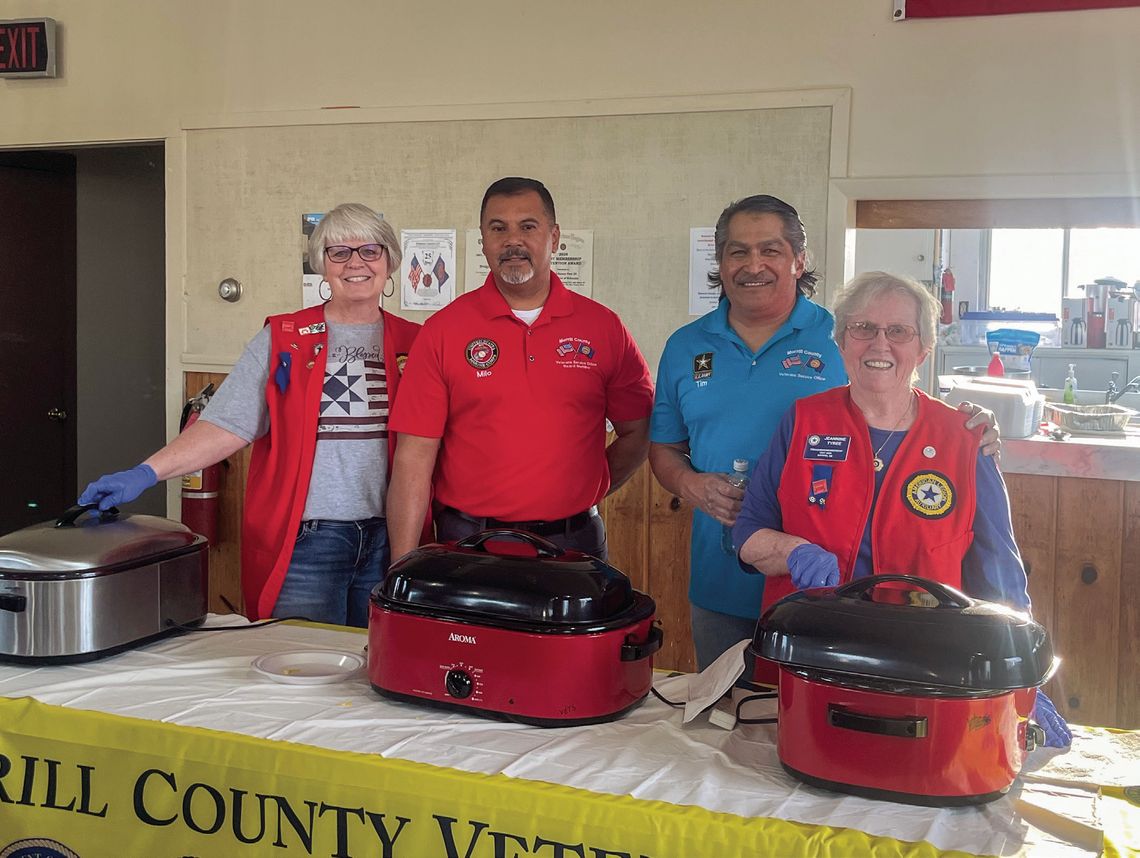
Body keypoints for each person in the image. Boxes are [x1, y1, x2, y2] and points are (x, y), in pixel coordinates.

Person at [734, 270, 1071, 747]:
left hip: (930, 679)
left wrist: (1021, 680)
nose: (879, 344)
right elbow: (748, 533)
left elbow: (1000, 575)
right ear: (841, 340)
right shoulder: (803, 421)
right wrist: (794, 551)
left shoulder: (965, 438)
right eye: (863, 328)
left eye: (899, 331)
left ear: (924, 350)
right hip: (808, 665)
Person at [79, 203, 422, 627]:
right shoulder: (282, 339)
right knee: (303, 665)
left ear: (389, 261)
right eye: (339, 252)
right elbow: (227, 424)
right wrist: (145, 473)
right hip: (307, 542)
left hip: (393, 536)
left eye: (370, 251)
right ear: (321, 265)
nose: (356, 263)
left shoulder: (417, 343)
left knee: (379, 668)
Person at [386, 177, 654, 561]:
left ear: (555, 237)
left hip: (573, 544)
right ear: (483, 241)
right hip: (468, 542)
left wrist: (581, 489)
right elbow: (414, 458)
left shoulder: (603, 327)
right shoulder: (443, 331)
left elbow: (639, 431)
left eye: (528, 226)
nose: (513, 240)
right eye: (498, 228)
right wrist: (402, 563)